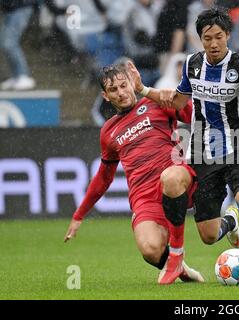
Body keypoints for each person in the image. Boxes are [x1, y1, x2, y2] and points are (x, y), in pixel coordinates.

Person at [128, 8, 239, 284]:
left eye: (218, 37)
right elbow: (178, 101)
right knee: (208, 235)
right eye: (207, 38)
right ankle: (230, 222)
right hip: (203, 153)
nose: (214, 43)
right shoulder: (192, 65)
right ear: (201, 39)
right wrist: (144, 90)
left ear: (228, 35)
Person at [63, 63, 205, 285]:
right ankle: (181, 269)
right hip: (144, 197)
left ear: (132, 83)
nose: (121, 93)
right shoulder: (108, 131)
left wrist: (174, 98)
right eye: (113, 90)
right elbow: (104, 177)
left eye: (123, 85)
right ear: (105, 96)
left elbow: (193, 116)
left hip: (177, 179)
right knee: (150, 250)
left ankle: (177, 255)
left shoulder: (156, 102)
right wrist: (79, 215)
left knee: (173, 181)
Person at [0, 0, 37, 91]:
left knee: (9, 43)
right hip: (12, 9)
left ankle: (23, 75)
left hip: (20, 8)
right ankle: (16, 76)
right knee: (4, 43)